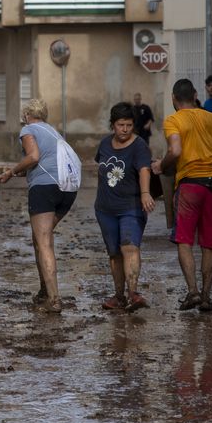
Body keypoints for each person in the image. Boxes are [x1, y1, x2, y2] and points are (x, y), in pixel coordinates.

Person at [152, 79, 212, 312]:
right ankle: (207, 297)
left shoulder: (173, 120)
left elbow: (175, 150)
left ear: (173, 98)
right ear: (196, 95)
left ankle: (193, 292)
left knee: (184, 240)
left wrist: (161, 165)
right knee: (209, 244)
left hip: (190, 185)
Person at [0, 99, 77, 314]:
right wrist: (13, 170)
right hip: (67, 189)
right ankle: (44, 290)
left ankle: (54, 300)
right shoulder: (52, 131)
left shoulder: (28, 129)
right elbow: (39, 164)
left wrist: (11, 172)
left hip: (45, 189)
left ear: (26, 115)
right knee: (39, 239)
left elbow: (33, 157)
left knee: (44, 243)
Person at [96, 103, 155, 312]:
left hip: (131, 206)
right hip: (105, 208)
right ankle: (119, 296)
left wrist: (146, 193)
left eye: (129, 125)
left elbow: (144, 170)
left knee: (129, 246)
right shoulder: (103, 144)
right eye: (121, 125)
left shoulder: (139, 146)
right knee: (114, 253)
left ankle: (133, 293)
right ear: (113, 124)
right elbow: (101, 169)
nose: (125, 129)